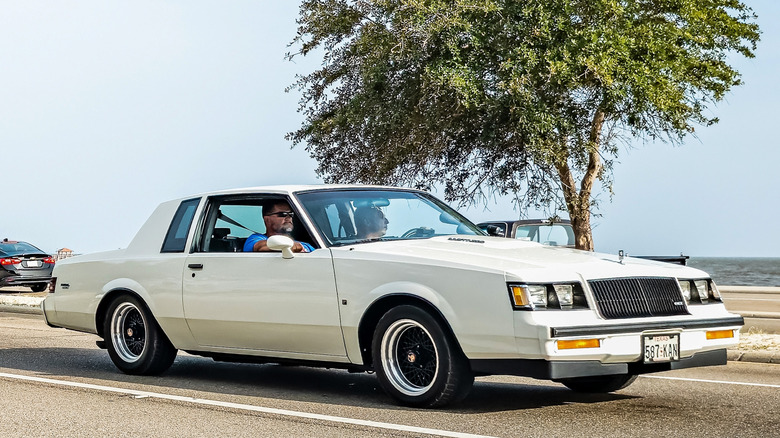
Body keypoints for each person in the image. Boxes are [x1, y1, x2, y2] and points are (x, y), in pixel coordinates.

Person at [243, 200, 315, 253]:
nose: (288, 218)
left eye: (291, 214)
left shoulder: (305, 245)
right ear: (267, 219)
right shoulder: (255, 239)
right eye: (283, 214)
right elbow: (260, 247)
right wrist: (291, 246)